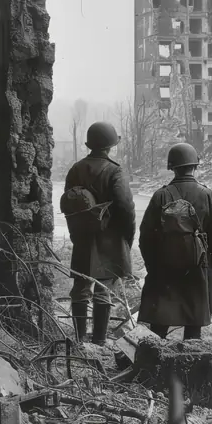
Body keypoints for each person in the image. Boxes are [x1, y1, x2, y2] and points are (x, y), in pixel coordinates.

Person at [138, 143, 212, 340]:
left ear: (172, 167)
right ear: (195, 166)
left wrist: (153, 265)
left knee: (159, 324)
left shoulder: (160, 195)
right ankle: (190, 367)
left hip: (164, 269)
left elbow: (145, 236)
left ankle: (153, 365)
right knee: (193, 326)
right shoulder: (207, 195)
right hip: (198, 268)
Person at [64, 121, 136, 345]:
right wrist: (127, 237)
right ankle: (99, 341)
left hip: (83, 238)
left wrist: (76, 234)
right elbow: (126, 207)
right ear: (110, 146)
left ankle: (78, 340)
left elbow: (68, 206)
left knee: (80, 290)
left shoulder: (76, 169)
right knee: (103, 291)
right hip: (109, 241)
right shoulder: (114, 170)